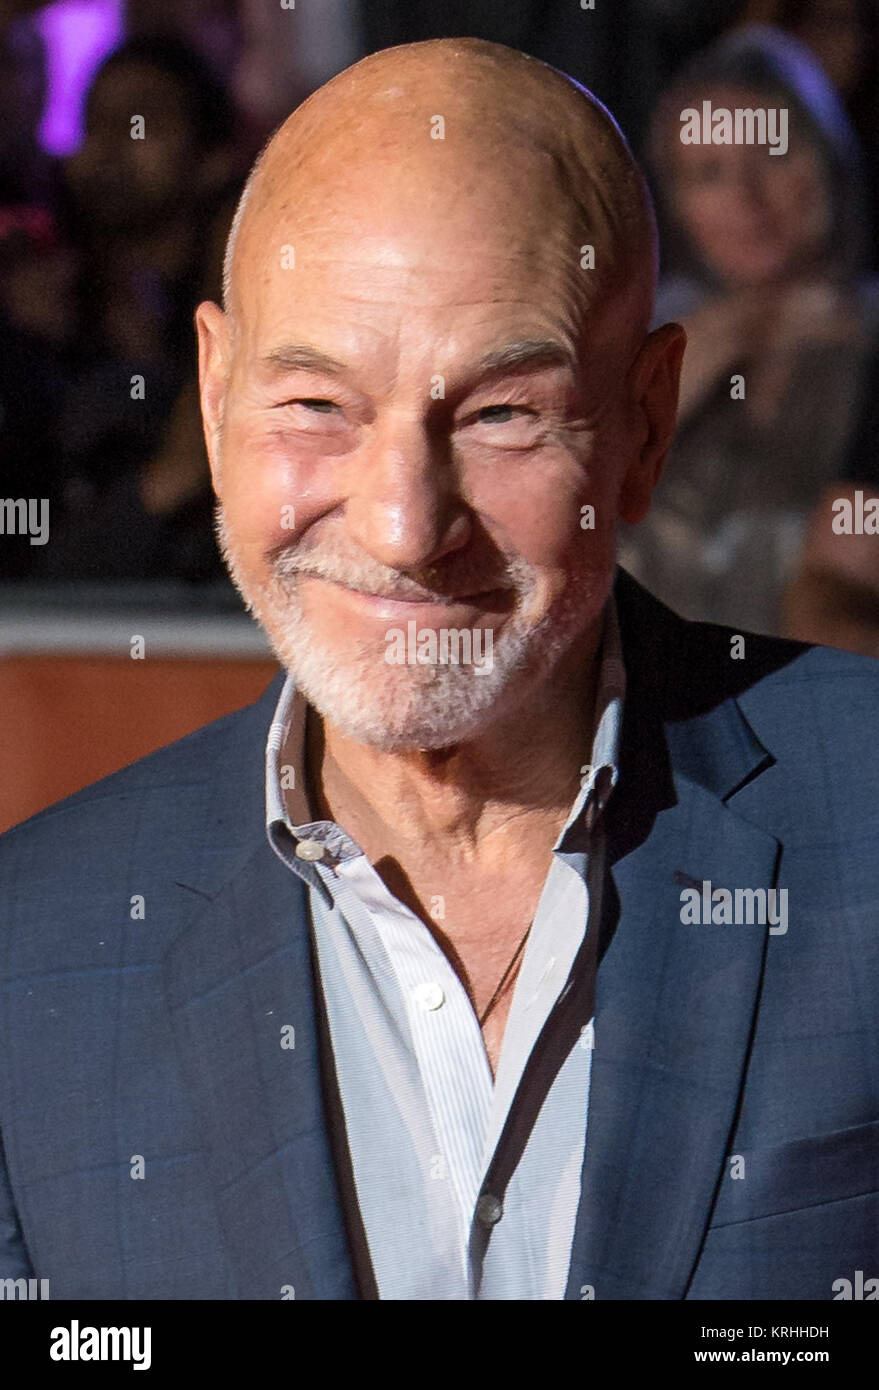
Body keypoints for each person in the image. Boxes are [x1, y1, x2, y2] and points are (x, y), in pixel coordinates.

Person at [0, 38, 877, 1302]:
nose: (405, 525)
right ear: (212, 395)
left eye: (500, 413)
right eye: (316, 406)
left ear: (643, 420)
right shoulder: (33, 955)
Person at [618, 26, 879, 635]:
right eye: (708, 172)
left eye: (774, 156)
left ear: (828, 162)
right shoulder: (631, 335)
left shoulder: (870, 339)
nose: (745, 196)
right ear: (674, 199)